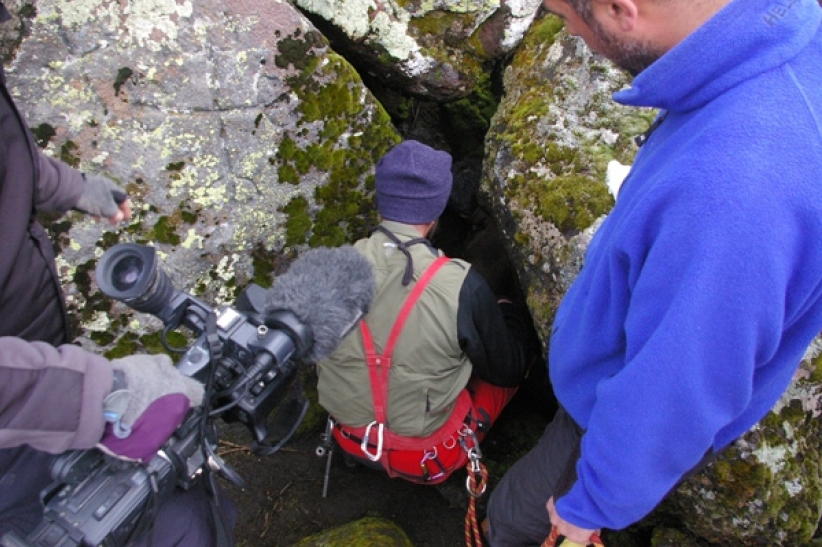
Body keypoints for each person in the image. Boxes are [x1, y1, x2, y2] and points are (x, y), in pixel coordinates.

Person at [484, 0, 822, 543]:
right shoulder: (776, 44)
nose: (570, 35)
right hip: (622, 385)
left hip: (606, 410)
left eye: (566, 18)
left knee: (514, 517)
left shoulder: (735, 192)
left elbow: (675, 388)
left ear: (620, 9)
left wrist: (590, 502)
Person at [0, 3, 235, 545]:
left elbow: (9, 156)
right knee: (182, 523)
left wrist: (70, 187)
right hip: (27, 410)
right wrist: (101, 393)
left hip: (34, 377)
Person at [316, 140, 531, 484]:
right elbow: (507, 370)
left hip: (349, 438)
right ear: (437, 209)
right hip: (426, 459)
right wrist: (509, 314)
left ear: (381, 201)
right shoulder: (462, 285)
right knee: (510, 358)